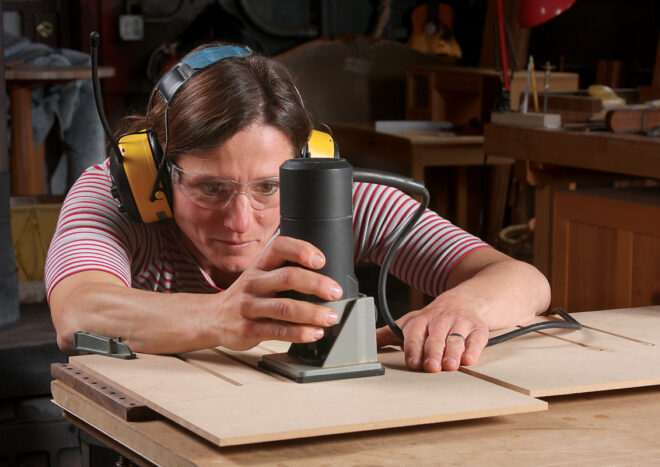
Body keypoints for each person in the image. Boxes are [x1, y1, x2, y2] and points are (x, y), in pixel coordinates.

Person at [46, 43, 550, 373]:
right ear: (153, 171)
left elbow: (523, 280)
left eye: (268, 187)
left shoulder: (333, 200)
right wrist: (223, 316)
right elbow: (77, 311)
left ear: (308, 165)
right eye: (211, 189)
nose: (240, 221)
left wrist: (459, 307)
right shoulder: (113, 198)